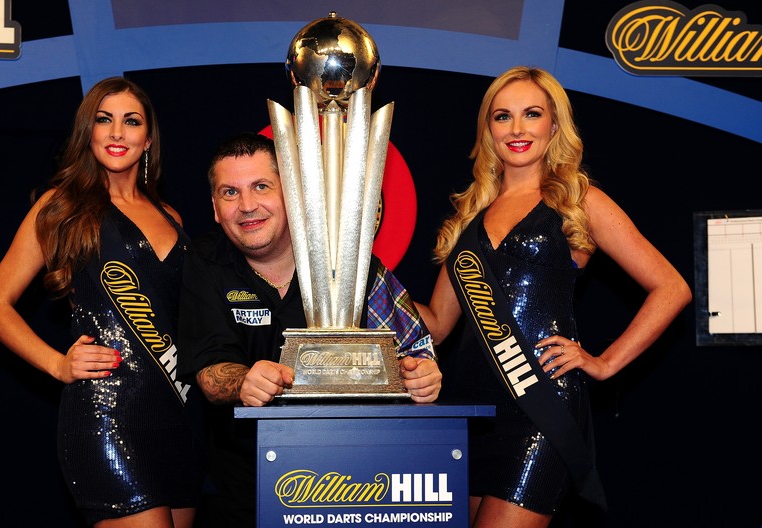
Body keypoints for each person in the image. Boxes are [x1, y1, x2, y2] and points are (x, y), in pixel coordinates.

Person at [414, 66, 691, 528]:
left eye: (532, 114)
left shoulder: (577, 200)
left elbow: (672, 288)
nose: (517, 129)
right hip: (470, 412)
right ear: (488, 129)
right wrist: (374, 284)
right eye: (503, 117)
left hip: (539, 407)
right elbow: (438, 322)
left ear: (554, 125)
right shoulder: (471, 214)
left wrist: (603, 362)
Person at [176, 132, 442, 528]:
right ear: (215, 208)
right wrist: (244, 381)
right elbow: (209, 373)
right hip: (244, 489)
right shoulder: (205, 261)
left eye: (261, 187)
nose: (247, 206)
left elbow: (413, 352)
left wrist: (422, 377)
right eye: (230, 192)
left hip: (351, 485)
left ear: (292, 194)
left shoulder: (347, 260)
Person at [0, 77, 206, 528]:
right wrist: (57, 363)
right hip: (106, 416)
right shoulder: (61, 206)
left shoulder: (172, 217)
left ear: (148, 139)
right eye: (105, 120)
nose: (117, 132)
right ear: (89, 132)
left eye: (131, 121)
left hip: (180, 416)